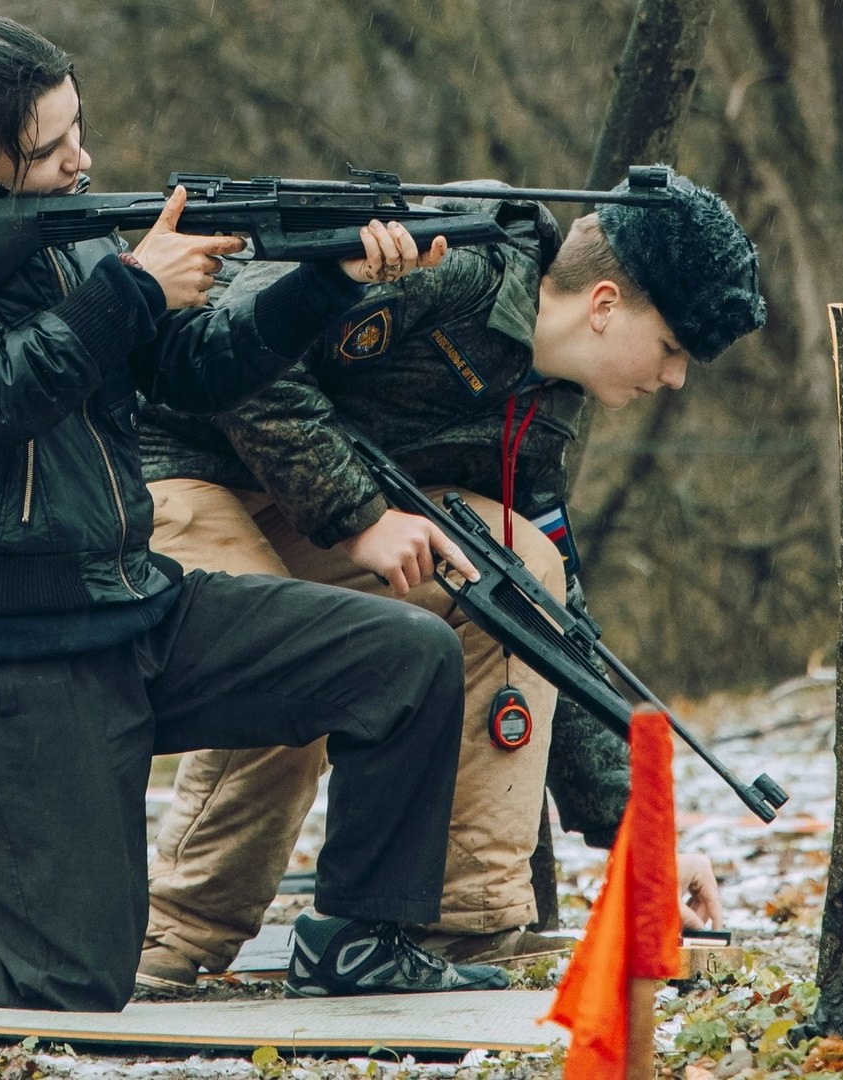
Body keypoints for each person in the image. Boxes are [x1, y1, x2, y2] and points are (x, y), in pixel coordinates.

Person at [0, 14, 519, 1012]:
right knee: (63, 969)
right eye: (52, 148)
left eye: (76, 128)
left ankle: (359, 935)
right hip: (18, 644)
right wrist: (134, 283)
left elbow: (190, 369)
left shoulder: (47, 219)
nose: (80, 160)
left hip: (133, 603)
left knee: (401, 655)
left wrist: (323, 281)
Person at [133, 172, 765, 992]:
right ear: (604, 303)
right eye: (674, 348)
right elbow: (232, 344)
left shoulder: (542, 403)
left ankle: (455, 925)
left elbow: (547, 624)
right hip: (170, 469)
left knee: (520, 568)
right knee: (289, 644)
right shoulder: (453, 263)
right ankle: (172, 938)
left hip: (296, 509)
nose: (675, 380)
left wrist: (644, 829)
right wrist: (360, 516)